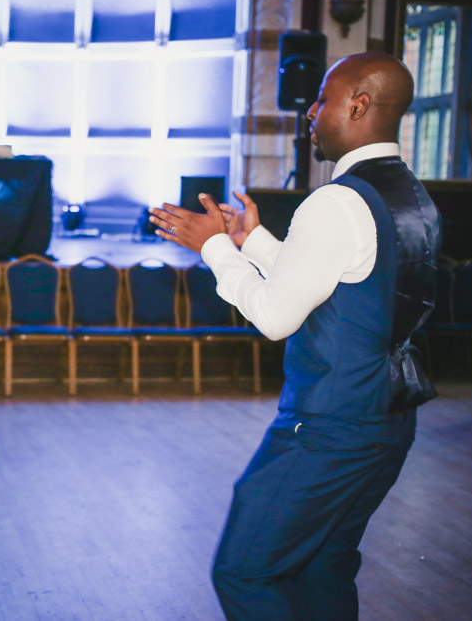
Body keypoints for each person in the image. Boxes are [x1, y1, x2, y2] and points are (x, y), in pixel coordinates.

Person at [149, 52, 441, 619]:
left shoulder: (336, 200)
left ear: (357, 105)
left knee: (246, 571)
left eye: (323, 98)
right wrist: (252, 240)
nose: (311, 111)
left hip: (329, 427)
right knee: (322, 566)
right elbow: (340, 283)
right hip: (388, 421)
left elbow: (277, 315)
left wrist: (211, 248)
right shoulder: (410, 195)